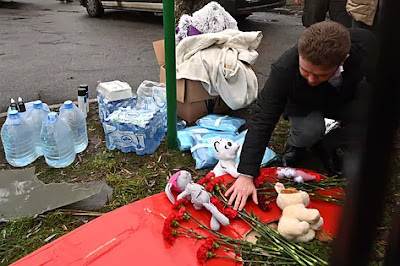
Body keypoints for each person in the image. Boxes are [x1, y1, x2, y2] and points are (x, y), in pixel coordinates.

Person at [225, 21, 374, 211]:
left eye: (320, 75)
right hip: (303, 103)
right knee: (308, 131)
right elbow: (263, 118)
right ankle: (299, 145)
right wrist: (246, 173)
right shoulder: (284, 70)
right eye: (306, 71)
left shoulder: (366, 46)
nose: (312, 80)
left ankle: (329, 142)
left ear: (343, 60)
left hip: (343, 99)